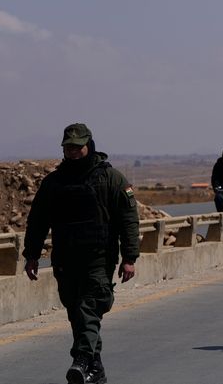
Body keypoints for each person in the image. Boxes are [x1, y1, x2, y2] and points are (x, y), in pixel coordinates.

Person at [23, 123, 140, 384]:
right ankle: (94, 369)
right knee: (76, 312)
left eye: (77, 147)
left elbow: (128, 219)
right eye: (68, 147)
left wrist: (129, 257)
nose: (73, 151)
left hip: (98, 257)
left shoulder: (111, 178)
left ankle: (82, 359)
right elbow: (38, 220)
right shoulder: (54, 182)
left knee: (90, 306)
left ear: (89, 145)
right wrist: (31, 255)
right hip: (65, 259)